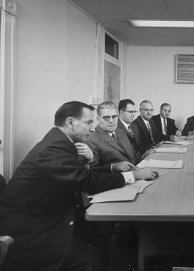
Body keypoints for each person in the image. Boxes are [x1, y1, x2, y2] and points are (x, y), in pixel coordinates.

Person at [0, 101, 154, 271]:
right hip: (32, 233)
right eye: (88, 122)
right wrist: (133, 175)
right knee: (94, 258)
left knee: (108, 241)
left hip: (48, 217)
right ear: (71, 122)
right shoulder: (55, 147)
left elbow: (77, 177)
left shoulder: (59, 141)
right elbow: (87, 181)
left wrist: (89, 163)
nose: (93, 128)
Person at [87, 101, 152, 170]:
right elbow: (92, 171)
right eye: (106, 117)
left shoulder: (120, 131)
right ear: (98, 119)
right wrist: (113, 167)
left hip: (136, 172)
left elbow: (133, 155)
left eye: (114, 117)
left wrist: (143, 156)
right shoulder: (92, 139)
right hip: (117, 178)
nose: (111, 121)